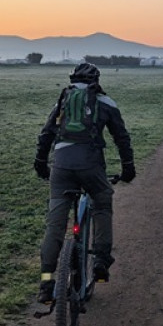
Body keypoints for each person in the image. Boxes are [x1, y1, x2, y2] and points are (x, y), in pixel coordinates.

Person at [33, 62, 135, 302]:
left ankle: (46, 282)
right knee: (102, 202)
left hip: (61, 167)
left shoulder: (62, 101)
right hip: (90, 166)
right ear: (96, 81)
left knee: (55, 225)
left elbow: (47, 133)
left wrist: (40, 162)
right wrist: (128, 167)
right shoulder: (106, 102)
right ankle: (100, 261)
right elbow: (122, 137)